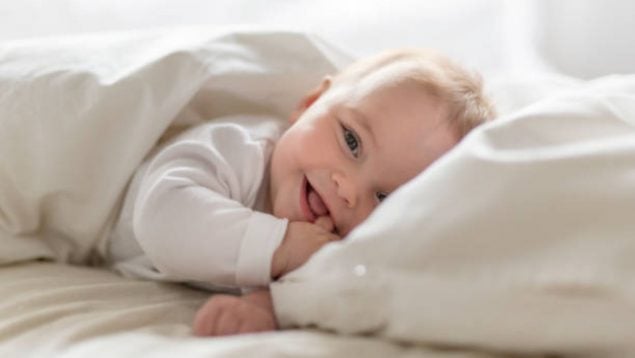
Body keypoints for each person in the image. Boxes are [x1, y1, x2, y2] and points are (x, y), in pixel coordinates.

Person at [106, 48, 495, 335]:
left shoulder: (333, 243)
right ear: (310, 103)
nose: (348, 188)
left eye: (385, 198)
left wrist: (263, 309)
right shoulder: (238, 150)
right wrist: (282, 247)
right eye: (352, 141)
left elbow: (313, 287)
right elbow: (163, 219)